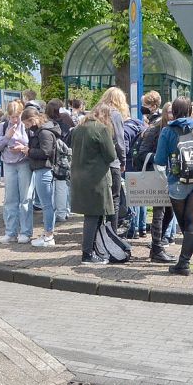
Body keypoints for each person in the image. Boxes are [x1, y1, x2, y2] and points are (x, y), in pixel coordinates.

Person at [154, 97, 193, 276]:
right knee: (192, 223)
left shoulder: (167, 131)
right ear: (190, 111)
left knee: (186, 224)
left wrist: (166, 178)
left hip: (178, 182)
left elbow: (159, 161)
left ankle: (183, 264)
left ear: (173, 111)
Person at [70, 104, 117, 264]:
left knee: (91, 216)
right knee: (93, 216)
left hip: (79, 177)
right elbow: (111, 155)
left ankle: (92, 251)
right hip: (96, 178)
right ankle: (88, 254)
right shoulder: (101, 129)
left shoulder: (78, 128)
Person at [135, 101, 176, 263]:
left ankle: (156, 246)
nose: (173, 115)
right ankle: (157, 248)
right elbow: (142, 153)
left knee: (170, 212)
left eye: (175, 112)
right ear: (165, 113)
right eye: (171, 112)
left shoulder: (176, 130)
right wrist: (160, 158)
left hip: (171, 177)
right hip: (157, 175)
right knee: (159, 211)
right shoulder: (155, 129)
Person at [0, 100, 33, 244]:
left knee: (25, 199)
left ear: (21, 113)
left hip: (24, 163)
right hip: (8, 164)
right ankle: (10, 232)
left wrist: (23, 147)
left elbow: (32, 144)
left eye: (17, 116)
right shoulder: (2, 127)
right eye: (12, 116)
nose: (14, 119)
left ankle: (26, 232)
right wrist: (7, 137)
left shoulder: (26, 126)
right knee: (10, 199)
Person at [26, 107, 59, 247]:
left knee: (46, 205)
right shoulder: (44, 131)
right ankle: (47, 234)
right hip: (42, 169)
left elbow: (45, 152)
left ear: (33, 119)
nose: (28, 127)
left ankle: (49, 235)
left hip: (43, 169)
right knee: (47, 204)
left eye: (27, 124)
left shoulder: (44, 133)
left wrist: (28, 151)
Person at [96, 87, 128, 229]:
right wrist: (123, 161)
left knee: (98, 201)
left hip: (96, 162)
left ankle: (99, 234)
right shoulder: (116, 115)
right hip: (112, 162)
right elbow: (120, 141)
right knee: (114, 199)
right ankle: (112, 234)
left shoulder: (95, 113)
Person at [46, 100, 71, 224]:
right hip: (64, 157)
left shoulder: (47, 125)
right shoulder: (66, 122)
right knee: (62, 185)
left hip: (51, 158)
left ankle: (56, 211)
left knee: (52, 187)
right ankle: (63, 211)